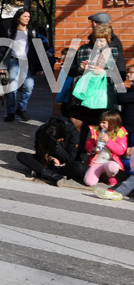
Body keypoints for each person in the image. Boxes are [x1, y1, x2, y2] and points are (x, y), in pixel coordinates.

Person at [70, 24, 119, 160]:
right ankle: (76, 155)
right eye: (96, 39)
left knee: (100, 127)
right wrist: (81, 68)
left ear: (108, 40)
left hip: (102, 97)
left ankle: (98, 158)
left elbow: (120, 74)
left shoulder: (113, 52)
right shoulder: (83, 49)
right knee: (78, 126)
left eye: (102, 40)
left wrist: (103, 72)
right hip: (82, 95)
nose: (99, 43)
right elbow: (70, 72)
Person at [0, 9, 43, 122]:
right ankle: (11, 112)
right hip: (14, 61)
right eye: (25, 16)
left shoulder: (32, 32)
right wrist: (0, 66)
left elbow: (38, 50)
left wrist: (40, 66)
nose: (27, 18)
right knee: (12, 88)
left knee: (29, 86)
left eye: (28, 16)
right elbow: (2, 49)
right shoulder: (10, 31)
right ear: (18, 18)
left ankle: (22, 108)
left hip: (27, 63)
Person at [16, 116, 89, 186]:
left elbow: (70, 159)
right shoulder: (43, 131)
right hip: (47, 160)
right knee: (21, 156)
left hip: (63, 165)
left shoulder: (73, 134)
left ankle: (43, 172)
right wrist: (50, 158)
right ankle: (52, 175)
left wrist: (56, 145)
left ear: (61, 139)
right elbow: (38, 151)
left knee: (79, 167)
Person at [83, 110, 127, 197]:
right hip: (98, 161)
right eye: (100, 122)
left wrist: (108, 141)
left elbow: (121, 150)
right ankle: (100, 174)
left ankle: (111, 176)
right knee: (89, 182)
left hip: (110, 161)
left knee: (112, 167)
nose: (101, 125)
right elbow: (88, 143)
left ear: (112, 123)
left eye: (104, 123)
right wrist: (92, 149)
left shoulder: (120, 133)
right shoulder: (97, 131)